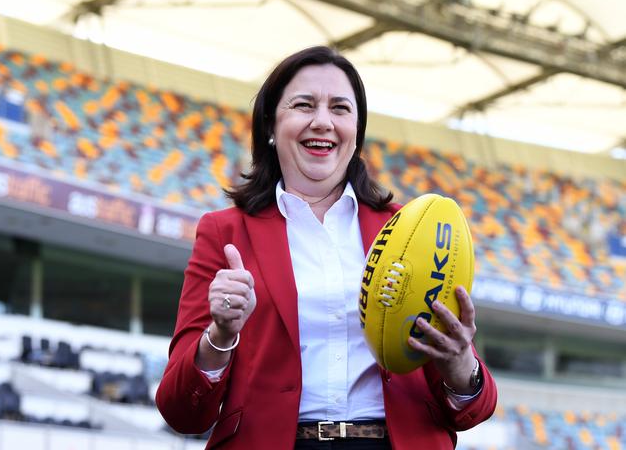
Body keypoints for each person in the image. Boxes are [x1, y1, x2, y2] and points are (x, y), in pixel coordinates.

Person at [156, 46, 497, 449]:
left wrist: (460, 362)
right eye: (304, 105)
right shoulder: (223, 232)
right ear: (270, 123)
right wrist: (221, 335)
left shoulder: (409, 230)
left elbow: (474, 407)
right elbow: (181, 409)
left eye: (340, 108)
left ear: (357, 131)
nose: (322, 122)